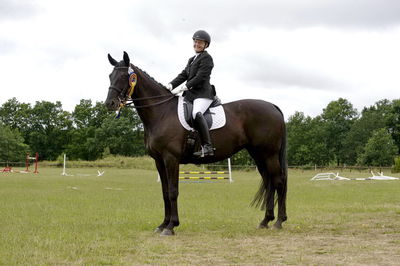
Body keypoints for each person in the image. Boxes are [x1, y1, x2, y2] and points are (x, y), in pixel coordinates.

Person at [167, 30, 215, 158]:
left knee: (195, 113)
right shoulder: (192, 59)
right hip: (191, 95)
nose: (197, 44)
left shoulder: (207, 58)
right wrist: (170, 85)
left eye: (200, 42)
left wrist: (184, 87)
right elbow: (183, 74)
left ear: (206, 45)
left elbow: (200, 77)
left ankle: (207, 147)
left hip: (203, 94)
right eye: (195, 41)